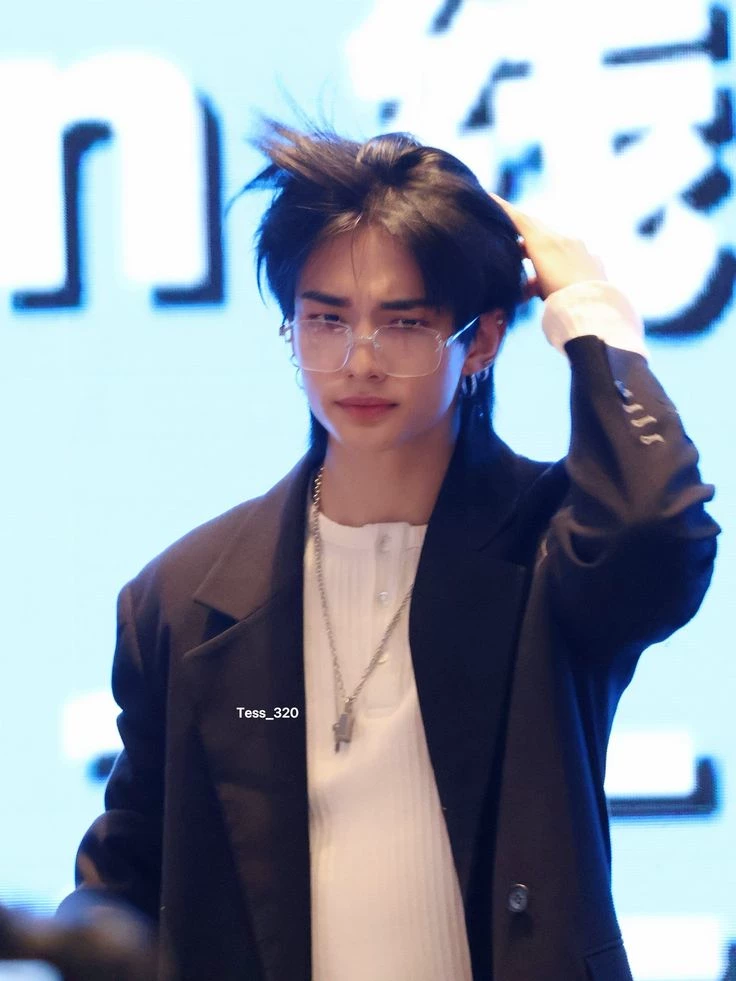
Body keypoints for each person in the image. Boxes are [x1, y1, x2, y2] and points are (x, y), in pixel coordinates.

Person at [58, 121, 719, 981]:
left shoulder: (551, 548)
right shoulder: (185, 597)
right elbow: (124, 880)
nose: (358, 361)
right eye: (326, 320)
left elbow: (659, 536)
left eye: (403, 323)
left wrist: (590, 314)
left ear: (481, 340)